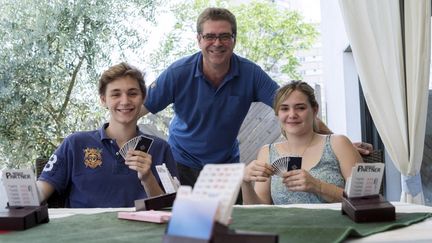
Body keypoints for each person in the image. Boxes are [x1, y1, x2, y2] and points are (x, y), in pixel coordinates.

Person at [141, 7, 371, 187]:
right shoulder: (178, 73)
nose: (217, 43)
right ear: (199, 39)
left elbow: (292, 109)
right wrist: (111, 140)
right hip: (182, 162)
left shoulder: (250, 74)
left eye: (224, 36)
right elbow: (138, 110)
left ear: (234, 39)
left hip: (226, 166)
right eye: (210, 36)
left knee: (227, 226)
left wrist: (336, 142)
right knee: (185, 227)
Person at [37, 62, 178, 208]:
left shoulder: (161, 149)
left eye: (132, 93)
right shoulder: (75, 143)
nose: (125, 101)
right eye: (116, 94)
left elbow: (171, 210)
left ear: (143, 98)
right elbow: (39, 192)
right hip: (83, 230)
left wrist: (148, 178)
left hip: (139, 230)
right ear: (103, 100)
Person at [242, 81, 362, 204]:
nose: (292, 114)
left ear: (315, 110)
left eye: (300, 108)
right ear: (277, 113)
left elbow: (365, 198)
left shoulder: (338, 143)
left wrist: (318, 186)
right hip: (283, 223)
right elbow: (260, 210)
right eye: (284, 108)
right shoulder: (267, 152)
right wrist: (245, 183)